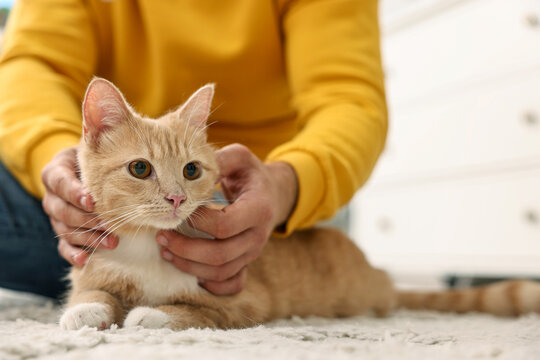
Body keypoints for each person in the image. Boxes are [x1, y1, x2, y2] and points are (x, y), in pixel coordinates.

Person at [0, 0, 387, 300]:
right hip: (103, 192)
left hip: (246, 200)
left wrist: (291, 184)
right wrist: (53, 158)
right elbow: (33, 65)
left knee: (269, 273)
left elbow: (349, 100)